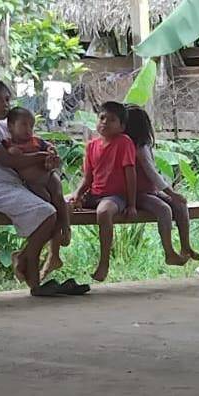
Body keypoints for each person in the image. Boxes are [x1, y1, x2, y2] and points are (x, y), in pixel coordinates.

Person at [0, 78, 60, 294]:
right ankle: (33, 276)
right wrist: (42, 156)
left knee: (54, 205)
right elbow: (8, 160)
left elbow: (30, 141)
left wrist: (48, 148)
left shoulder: (0, 126)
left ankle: (25, 259)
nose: (4, 104)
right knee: (48, 214)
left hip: (11, 186)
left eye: (7, 99)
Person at [124, 104, 199, 267]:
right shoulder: (137, 148)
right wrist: (171, 193)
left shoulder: (142, 146)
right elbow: (152, 173)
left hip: (150, 191)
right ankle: (169, 253)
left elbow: (153, 175)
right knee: (164, 210)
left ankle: (186, 246)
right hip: (137, 194)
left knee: (180, 205)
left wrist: (170, 195)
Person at [71, 101, 138, 282]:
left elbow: (131, 175)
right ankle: (56, 253)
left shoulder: (124, 142)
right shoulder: (91, 146)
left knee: (103, 212)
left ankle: (104, 263)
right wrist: (77, 194)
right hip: (94, 194)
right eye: (102, 118)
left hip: (115, 197)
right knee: (62, 203)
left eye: (112, 120)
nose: (105, 122)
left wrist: (131, 204)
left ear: (122, 126)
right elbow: (87, 178)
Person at [5, 106, 72, 279]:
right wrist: (15, 153)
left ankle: (66, 228)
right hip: (33, 184)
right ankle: (41, 253)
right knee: (49, 210)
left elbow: (49, 147)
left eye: (31, 126)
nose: (28, 130)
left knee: (59, 198)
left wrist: (51, 152)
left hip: (48, 176)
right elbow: (11, 156)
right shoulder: (10, 144)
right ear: (11, 126)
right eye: (23, 125)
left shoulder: (37, 141)